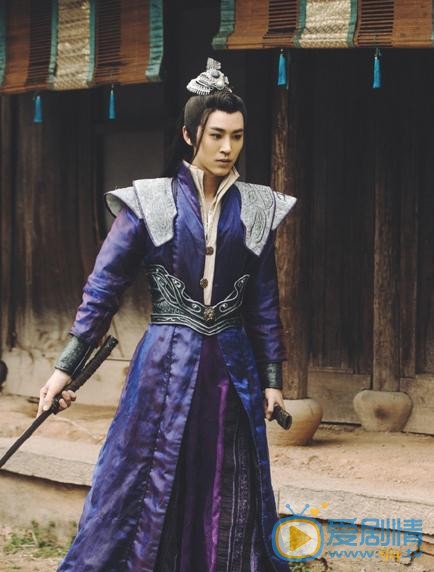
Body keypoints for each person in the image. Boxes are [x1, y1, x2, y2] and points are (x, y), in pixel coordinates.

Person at [37, 58, 297, 572]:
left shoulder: (257, 207)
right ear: (189, 134)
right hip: (163, 366)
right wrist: (66, 367)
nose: (227, 148)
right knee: (142, 477)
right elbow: (103, 288)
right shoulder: (150, 202)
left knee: (227, 481)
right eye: (216, 135)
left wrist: (272, 379)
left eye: (237, 136)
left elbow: (264, 300)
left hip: (232, 369)